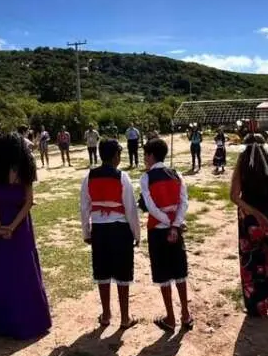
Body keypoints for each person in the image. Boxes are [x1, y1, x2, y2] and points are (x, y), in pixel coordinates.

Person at [0, 134, 52, 339]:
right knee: (22, 269)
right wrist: (12, 227)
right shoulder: (24, 170)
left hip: (1, 225)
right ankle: (26, 318)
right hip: (20, 225)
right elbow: (28, 202)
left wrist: (0, 226)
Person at [80, 139, 141, 328]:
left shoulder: (89, 177)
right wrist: (136, 234)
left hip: (99, 229)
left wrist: (86, 232)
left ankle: (106, 315)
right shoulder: (122, 177)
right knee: (123, 273)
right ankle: (124, 318)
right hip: (120, 229)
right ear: (115, 156)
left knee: (102, 272)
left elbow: (84, 208)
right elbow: (131, 209)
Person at [230, 140, 268, 317]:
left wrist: (255, 213)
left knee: (252, 261)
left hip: (249, 220)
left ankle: (257, 305)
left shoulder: (242, 165)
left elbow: (234, 196)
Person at [140, 138, 193, 331]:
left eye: (145, 155)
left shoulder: (146, 178)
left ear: (152, 155)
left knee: (163, 274)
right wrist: (176, 223)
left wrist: (167, 221)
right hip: (175, 229)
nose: (144, 159)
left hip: (158, 229)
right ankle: (185, 315)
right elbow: (183, 202)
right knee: (180, 271)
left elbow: (150, 206)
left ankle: (170, 317)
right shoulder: (176, 174)